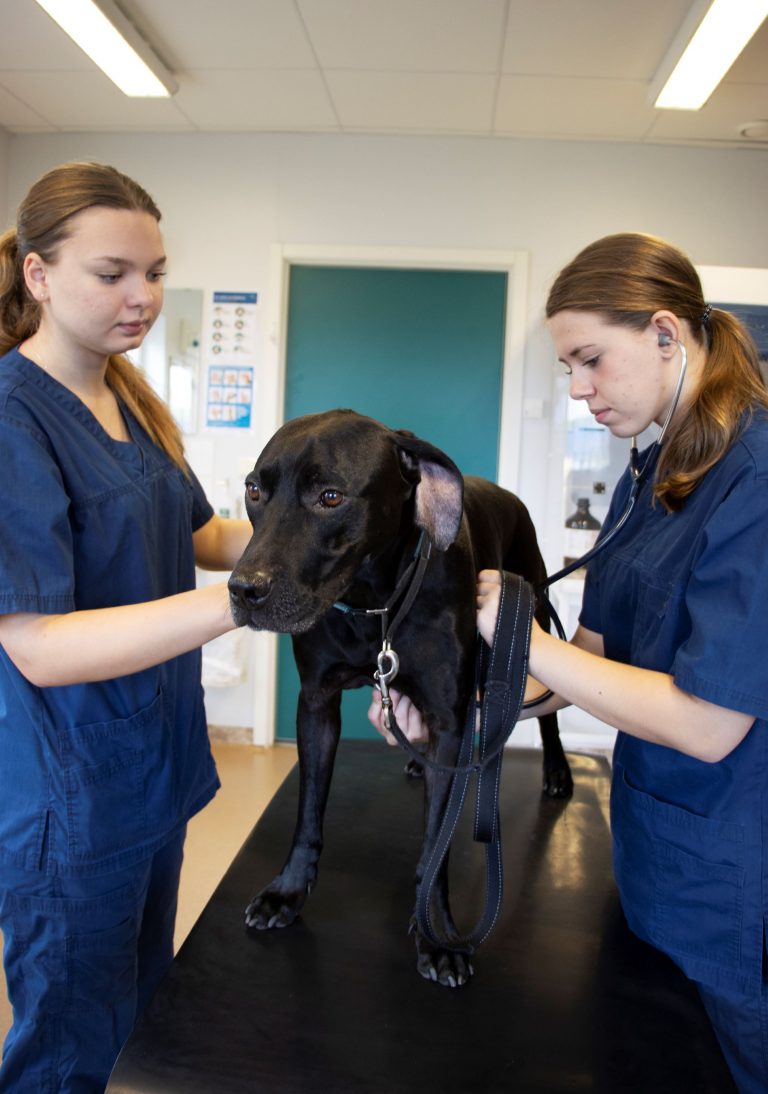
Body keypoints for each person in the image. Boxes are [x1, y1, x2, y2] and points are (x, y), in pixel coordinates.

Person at [370, 233, 768, 1092]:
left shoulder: (758, 475)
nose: (580, 390)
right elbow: (590, 663)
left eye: (591, 360)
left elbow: (708, 723)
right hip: (660, 855)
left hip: (740, 875)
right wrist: (467, 716)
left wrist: (521, 631)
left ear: (667, 332)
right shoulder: (649, 474)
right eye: (567, 370)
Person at [0, 161, 251, 1092]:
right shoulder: (13, 418)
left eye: (154, 271)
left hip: (151, 774)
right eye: (112, 274)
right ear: (38, 275)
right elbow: (39, 646)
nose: (142, 296)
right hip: (72, 799)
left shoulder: (131, 402)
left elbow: (206, 535)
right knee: (66, 1047)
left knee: (145, 1022)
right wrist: (248, 602)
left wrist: (321, 531)